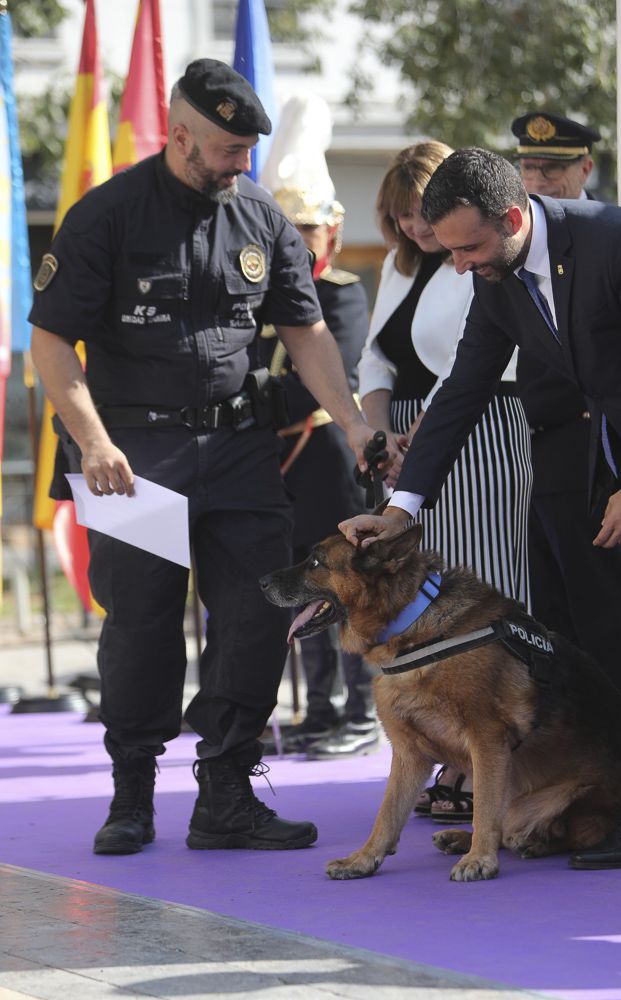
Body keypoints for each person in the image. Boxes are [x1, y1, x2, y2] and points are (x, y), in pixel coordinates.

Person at [340, 147, 621, 869]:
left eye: (469, 247)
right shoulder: (498, 274)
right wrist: (401, 509)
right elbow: (462, 389)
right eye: (449, 248)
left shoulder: (620, 242)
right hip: (618, 454)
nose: (458, 264)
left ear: (513, 218)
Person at [29, 59, 374, 856]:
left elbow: (306, 330)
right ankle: (132, 795)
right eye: (226, 149)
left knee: (259, 612)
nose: (240, 164)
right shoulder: (106, 214)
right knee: (143, 625)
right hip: (130, 452)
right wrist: (93, 440)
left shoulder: (260, 217)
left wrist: (353, 424)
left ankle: (226, 793)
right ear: (180, 135)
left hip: (238, 449)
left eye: (247, 149)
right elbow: (52, 339)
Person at [359, 141, 533, 822]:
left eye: (419, 213)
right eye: (399, 217)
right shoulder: (400, 270)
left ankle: (485, 757)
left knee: (482, 590)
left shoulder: (476, 266)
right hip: (403, 446)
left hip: (477, 433)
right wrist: (377, 433)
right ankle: (446, 751)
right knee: (424, 603)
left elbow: (466, 371)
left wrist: (416, 441)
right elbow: (375, 358)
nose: (413, 229)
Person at [257, 93, 380, 759]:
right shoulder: (258, 302)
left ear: (330, 232)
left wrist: (276, 392)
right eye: (288, 229)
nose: (299, 240)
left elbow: (333, 370)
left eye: (307, 229)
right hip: (276, 468)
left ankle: (361, 711)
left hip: (328, 461)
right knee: (301, 590)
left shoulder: (341, 293)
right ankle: (321, 707)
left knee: (345, 589)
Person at [511, 111, 621, 705]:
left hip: (604, 462)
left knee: (610, 629)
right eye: (528, 166)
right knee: (557, 630)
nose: (538, 179)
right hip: (548, 460)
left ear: (586, 167)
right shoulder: (509, 252)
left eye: (553, 168)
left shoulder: (611, 238)